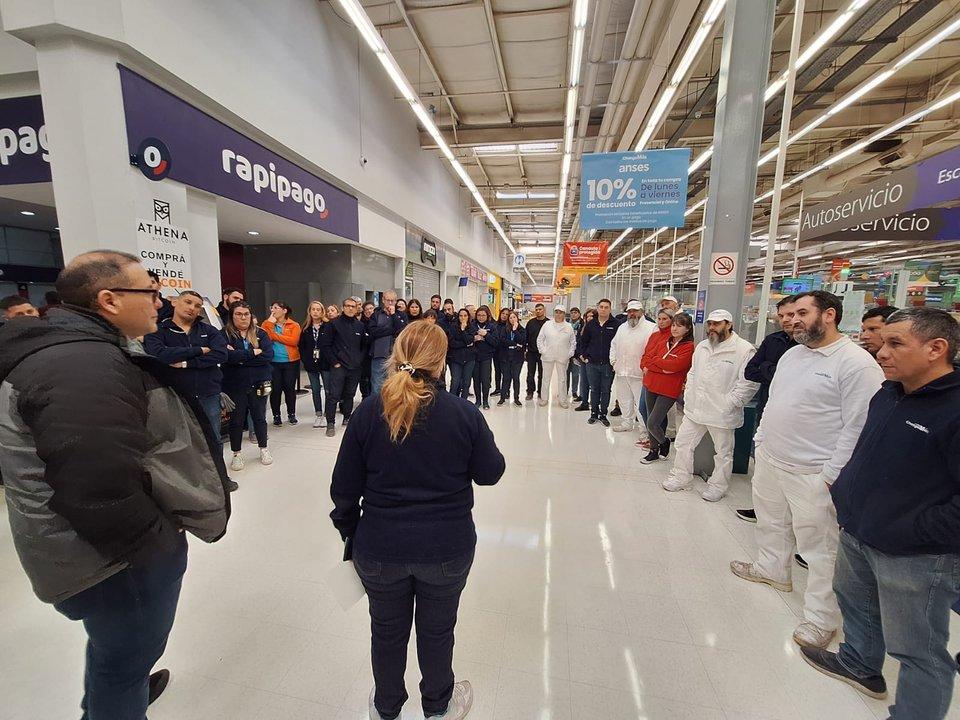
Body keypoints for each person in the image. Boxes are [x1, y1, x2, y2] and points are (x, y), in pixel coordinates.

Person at [0, 250, 229, 720]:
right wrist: (158, 545)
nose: (160, 303)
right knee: (123, 662)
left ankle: (121, 688)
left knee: (115, 653)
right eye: (151, 292)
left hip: (82, 549)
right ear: (109, 299)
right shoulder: (82, 367)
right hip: (112, 561)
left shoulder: (73, 350)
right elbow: (96, 487)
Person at [330, 321, 505, 720]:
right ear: (441, 363)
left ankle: (386, 706)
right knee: (438, 631)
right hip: (446, 548)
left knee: (386, 631)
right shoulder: (463, 413)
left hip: (379, 548)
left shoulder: (369, 411)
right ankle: (438, 706)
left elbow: (343, 488)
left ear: (396, 356)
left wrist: (352, 533)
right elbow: (490, 472)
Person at [799, 308, 960, 716]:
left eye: (895, 343)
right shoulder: (889, 392)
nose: (881, 351)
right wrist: (847, 496)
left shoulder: (953, 409)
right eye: (882, 341)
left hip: (914, 552)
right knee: (856, 605)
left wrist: (912, 530)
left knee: (918, 649)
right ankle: (860, 662)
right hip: (858, 528)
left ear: (936, 348)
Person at [729, 291, 884, 650]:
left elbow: (859, 427)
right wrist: (761, 441)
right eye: (790, 314)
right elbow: (775, 401)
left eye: (802, 313)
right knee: (771, 522)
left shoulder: (856, 364)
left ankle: (821, 618)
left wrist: (831, 474)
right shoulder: (793, 354)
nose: (793, 320)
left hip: (814, 471)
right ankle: (772, 569)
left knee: (820, 549)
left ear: (829, 315)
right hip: (772, 460)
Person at [661, 309, 759, 501]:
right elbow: (692, 372)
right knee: (683, 443)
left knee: (723, 452)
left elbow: (748, 383)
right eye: (710, 324)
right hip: (696, 408)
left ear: (729, 324)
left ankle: (718, 486)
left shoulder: (743, 350)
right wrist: (689, 396)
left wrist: (731, 403)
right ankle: (681, 477)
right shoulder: (703, 346)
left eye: (717, 324)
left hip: (722, 412)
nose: (712, 327)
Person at [735, 295, 798, 524]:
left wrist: (768, 368)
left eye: (793, 314)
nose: (787, 320)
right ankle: (763, 509)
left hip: (797, 418)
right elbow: (750, 371)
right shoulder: (773, 341)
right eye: (782, 316)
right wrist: (773, 369)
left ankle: (794, 520)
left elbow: (795, 379)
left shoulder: (808, 347)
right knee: (763, 463)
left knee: (794, 473)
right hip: (767, 408)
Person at [144, 290, 229, 453]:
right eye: (188, 302)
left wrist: (186, 363)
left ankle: (219, 469)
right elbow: (159, 354)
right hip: (175, 395)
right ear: (175, 302)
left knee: (213, 437)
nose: (192, 308)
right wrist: (199, 350)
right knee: (180, 442)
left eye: (197, 306)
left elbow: (221, 354)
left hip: (208, 393)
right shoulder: (158, 330)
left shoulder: (209, 330)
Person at [222, 301, 274, 470]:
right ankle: (236, 454)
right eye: (238, 314)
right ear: (232, 316)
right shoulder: (224, 334)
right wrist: (253, 353)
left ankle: (263, 448)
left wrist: (240, 358)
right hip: (235, 384)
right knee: (236, 420)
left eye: (246, 314)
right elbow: (226, 357)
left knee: (259, 417)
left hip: (259, 382)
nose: (243, 317)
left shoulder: (261, 333)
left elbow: (268, 356)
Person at [318, 297, 365, 437]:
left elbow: (364, 346)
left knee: (350, 394)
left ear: (356, 309)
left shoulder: (360, 326)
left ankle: (347, 418)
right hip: (339, 366)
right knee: (334, 395)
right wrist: (334, 362)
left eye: (353, 306)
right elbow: (325, 345)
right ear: (343, 307)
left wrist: (359, 360)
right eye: (348, 306)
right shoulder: (333, 324)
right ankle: (330, 423)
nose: (350, 308)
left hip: (355, 367)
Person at [609, 300, 656, 432]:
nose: (632, 313)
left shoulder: (651, 328)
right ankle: (626, 423)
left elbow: (654, 350)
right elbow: (613, 345)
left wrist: (647, 367)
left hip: (640, 374)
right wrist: (613, 361)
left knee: (641, 404)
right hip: (622, 372)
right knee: (624, 400)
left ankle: (644, 429)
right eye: (630, 311)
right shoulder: (622, 327)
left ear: (642, 312)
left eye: (635, 311)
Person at [636, 308, 676, 447]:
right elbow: (647, 354)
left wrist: (650, 366)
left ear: (672, 320)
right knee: (643, 409)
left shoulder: (673, 338)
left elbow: (662, 360)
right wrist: (644, 366)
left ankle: (659, 441)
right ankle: (653, 439)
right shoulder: (654, 336)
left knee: (658, 415)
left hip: (662, 380)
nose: (661, 322)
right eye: (659, 319)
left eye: (665, 319)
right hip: (648, 378)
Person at [259, 301, 301, 426]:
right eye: (272, 307)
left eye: (276, 308)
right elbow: (264, 337)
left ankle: (291, 414)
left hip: (290, 361)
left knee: (289, 388)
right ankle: (276, 415)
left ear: (284, 310)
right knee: (275, 390)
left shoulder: (294, 325)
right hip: (273, 362)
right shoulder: (267, 324)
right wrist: (269, 324)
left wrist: (274, 335)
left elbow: (293, 341)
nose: (273, 310)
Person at [579, 298, 619, 426]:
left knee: (606, 390)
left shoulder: (616, 324)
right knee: (594, 389)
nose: (603, 309)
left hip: (608, 364)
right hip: (592, 363)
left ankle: (603, 414)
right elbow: (583, 342)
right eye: (601, 307)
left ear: (610, 309)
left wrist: (615, 361)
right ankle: (594, 413)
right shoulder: (591, 324)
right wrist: (583, 356)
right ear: (598, 308)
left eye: (606, 307)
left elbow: (619, 344)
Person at [536, 305, 577, 408]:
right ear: (554, 313)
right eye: (557, 312)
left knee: (562, 379)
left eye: (561, 312)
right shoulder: (547, 324)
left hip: (563, 356)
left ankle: (562, 400)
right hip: (547, 356)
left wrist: (569, 354)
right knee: (546, 378)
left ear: (564, 314)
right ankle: (544, 399)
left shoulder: (568, 327)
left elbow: (573, 342)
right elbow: (540, 339)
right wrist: (543, 351)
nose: (558, 314)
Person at [300, 300, 329, 428]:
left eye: (318, 309)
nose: (316, 312)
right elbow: (302, 347)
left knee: (328, 390)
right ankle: (318, 414)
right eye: (313, 309)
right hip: (311, 364)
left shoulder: (328, 326)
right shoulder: (305, 328)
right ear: (309, 311)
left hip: (326, 363)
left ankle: (328, 415)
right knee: (315, 390)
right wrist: (306, 361)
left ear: (322, 311)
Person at [369, 290, 403, 395]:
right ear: (383, 300)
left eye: (392, 301)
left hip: (396, 356)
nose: (390, 303)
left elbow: (402, 330)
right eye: (388, 300)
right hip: (379, 354)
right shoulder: (376, 315)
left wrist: (393, 314)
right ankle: (377, 405)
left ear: (396, 301)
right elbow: (373, 331)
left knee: (395, 386)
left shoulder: (401, 315)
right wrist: (392, 330)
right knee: (377, 386)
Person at [470, 305, 498, 409]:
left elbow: (495, 342)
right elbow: (467, 339)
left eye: (483, 315)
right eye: (479, 315)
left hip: (486, 357)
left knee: (485, 380)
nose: (481, 317)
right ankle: (478, 400)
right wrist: (474, 338)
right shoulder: (472, 325)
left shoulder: (492, 326)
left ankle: (485, 401)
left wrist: (486, 335)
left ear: (487, 315)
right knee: (476, 380)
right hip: (474, 356)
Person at [497, 310, 526, 406]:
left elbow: (522, 341)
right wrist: (515, 344)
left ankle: (516, 398)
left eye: (514, 317)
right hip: (505, 356)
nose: (512, 319)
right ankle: (502, 397)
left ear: (517, 318)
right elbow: (502, 341)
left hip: (517, 358)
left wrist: (515, 330)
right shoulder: (504, 329)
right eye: (510, 318)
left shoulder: (522, 329)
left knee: (516, 377)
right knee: (506, 378)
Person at [448, 308, 476, 400]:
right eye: (461, 316)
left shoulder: (472, 328)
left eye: (465, 316)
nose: (463, 318)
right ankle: (452, 401)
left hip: (469, 358)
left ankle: (463, 402)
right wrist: (465, 344)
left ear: (468, 317)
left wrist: (463, 330)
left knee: (466, 382)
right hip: (456, 359)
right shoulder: (453, 327)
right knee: (455, 382)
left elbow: (469, 340)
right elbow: (452, 343)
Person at [524, 303, 548, 401]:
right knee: (530, 374)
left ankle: (540, 392)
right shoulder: (530, 323)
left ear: (544, 310)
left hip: (544, 353)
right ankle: (530, 392)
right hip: (531, 352)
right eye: (536, 309)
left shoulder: (548, 323)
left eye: (540, 309)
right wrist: (525, 350)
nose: (538, 311)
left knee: (542, 374)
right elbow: (526, 337)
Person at [573, 308, 596, 409]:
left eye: (592, 316)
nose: (589, 318)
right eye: (588, 316)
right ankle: (584, 401)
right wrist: (580, 355)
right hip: (583, 359)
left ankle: (594, 401)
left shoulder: (598, 328)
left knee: (593, 382)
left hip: (592, 360)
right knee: (583, 381)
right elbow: (579, 342)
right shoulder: (582, 328)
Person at [491, 307, 510, 397]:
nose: (504, 316)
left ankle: (506, 390)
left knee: (505, 372)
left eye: (507, 314)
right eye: (503, 313)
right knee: (497, 371)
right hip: (496, 352)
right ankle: (498, 389)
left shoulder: (509, 326)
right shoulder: (495, 325)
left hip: (506, 352)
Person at [360, 301, 376, 398]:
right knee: (364, 378)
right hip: (364, 355)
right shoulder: (361, 323)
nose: (369, 311)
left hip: (376, 353)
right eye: (366, 309)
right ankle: (365, 397)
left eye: (371, 308)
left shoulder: (379, 321)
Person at [567, 307, 584, 401]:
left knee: (575, 374)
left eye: (575, 313)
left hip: (576, 355)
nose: (573, 314)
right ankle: (565, 390)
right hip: (566, 353)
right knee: (565, 373)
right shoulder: (567, 324)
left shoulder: (582, 324)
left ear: (579, 314)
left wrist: (578, 353)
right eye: (572, 313)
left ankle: (574, 391)